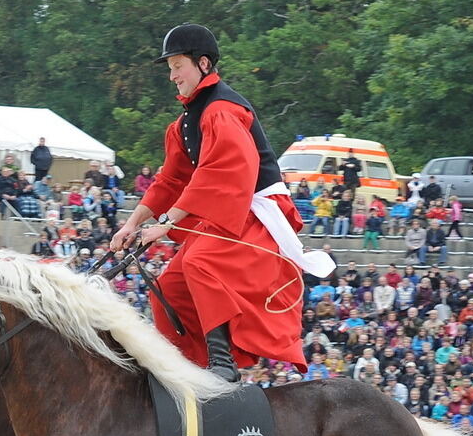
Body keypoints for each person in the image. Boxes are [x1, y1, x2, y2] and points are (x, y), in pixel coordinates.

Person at [110, 24, 334, 380]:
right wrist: (132, 224)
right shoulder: (186, 122)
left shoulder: (222, 111)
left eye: (177, 66)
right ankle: (182, 371)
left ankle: (222, 366)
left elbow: (222, 173)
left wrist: (166, 224)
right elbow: (170, 180)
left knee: (200, 262)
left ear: (202, 64)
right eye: (169, 68)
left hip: (256, 211)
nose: (172, 76)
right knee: (169, 287)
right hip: (228, 208)